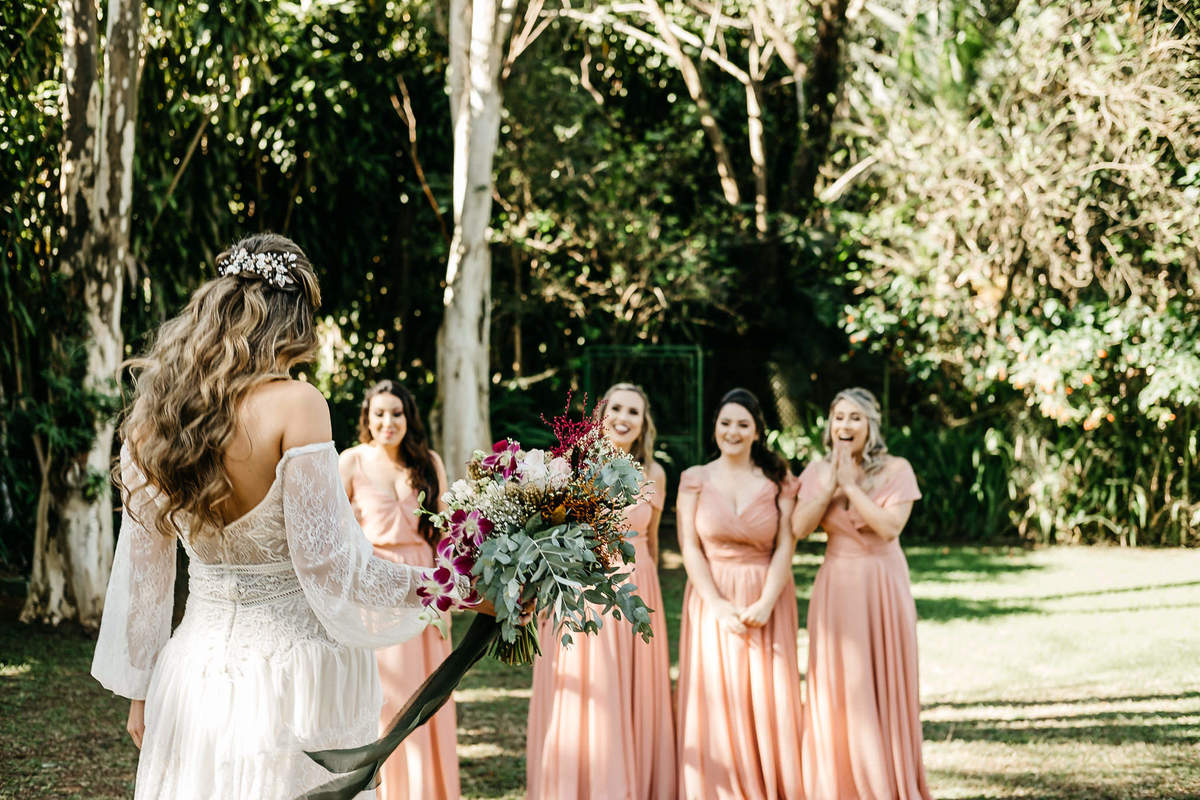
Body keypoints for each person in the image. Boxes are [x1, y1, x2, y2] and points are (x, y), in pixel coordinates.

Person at [91, 233, 472, 800]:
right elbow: (335, 568)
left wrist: (142, 689)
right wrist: (456, 586)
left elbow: (145, 575)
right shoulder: (297, 403)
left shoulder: (154, 419)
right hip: (298, 679)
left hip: (191, 674)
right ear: (292, 316)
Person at [526, 383, 676, 799]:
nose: (624, 418)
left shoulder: (655, 472)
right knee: (588, 686)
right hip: (584, 586)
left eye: (634, 411)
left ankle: (634, 782)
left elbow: (655, 542)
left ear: (644, 423)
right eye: (617, 409)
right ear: (602, 415)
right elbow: (552, 532)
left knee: (630, 689)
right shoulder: (574, 463)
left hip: (637, 586)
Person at [792, 387, 933, 800]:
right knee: (840, 685)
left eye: (855, 417)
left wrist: (853, 487)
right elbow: (799, 528)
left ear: (871, 424)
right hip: (837, 585)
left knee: (882, 680)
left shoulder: (896, 469)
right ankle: (838, 784)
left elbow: (890, 527)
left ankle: (885, 782)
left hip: (883, 583)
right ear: (830, 425)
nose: (845, 425)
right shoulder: (817, 471)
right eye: (839, 417)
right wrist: (831, 485)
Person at [675, 388, 804, 800]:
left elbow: (786, 545)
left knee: (767, 697)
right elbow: (689, 548)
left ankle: (771, 784)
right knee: (717, 694)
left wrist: (766, 601)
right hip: (710, 597)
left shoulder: (777, 479)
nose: (732, 431)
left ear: (756, 432)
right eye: (725, 422)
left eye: (742, 424)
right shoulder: (694, 479)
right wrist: (716, 605)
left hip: (767, 594)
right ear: (715, 426)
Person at [338, 380, 459, 800]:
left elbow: (445, 535)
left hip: (425, 588)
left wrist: (446, 597)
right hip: (374, 590)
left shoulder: (428, 462)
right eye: (379, 414)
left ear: (409, 418)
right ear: (367, 419)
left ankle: (426, 790)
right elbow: (332, 536)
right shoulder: (350, 462)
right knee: (381, 697)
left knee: (425, 695)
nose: (388, 422)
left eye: (396, 413)